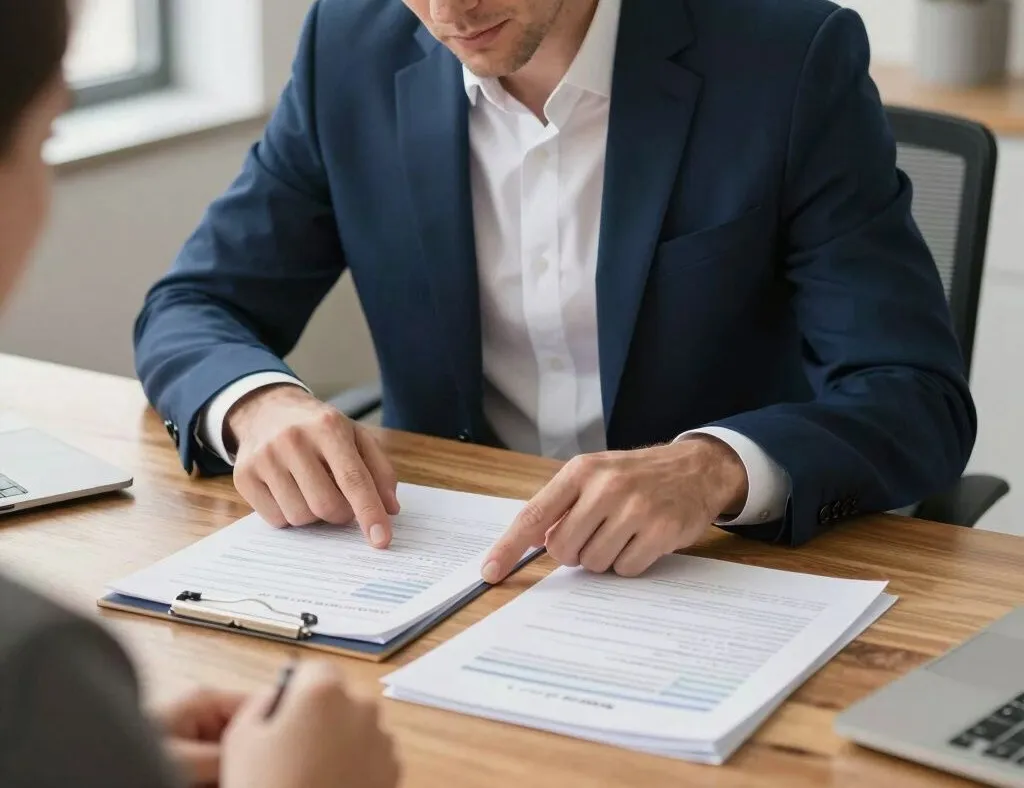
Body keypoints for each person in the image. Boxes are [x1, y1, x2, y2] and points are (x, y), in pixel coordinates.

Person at [135, 0, 977, 583]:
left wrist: (713, 468)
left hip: (717, 572)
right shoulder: (348, 48)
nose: (449, 13)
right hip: (440, 568)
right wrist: (258, 404)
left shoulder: (787, 58)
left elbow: (913, 397)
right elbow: (194, 305)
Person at [0, 2, 400, 787]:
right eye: (46, 138)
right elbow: (194, 302)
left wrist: (104, 759)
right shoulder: (37, 674)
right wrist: (257, 399)